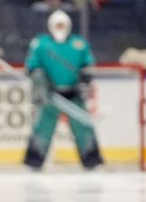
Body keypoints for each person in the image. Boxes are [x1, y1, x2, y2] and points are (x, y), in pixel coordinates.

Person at [23, 9, 102, 170]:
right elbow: (32, 66)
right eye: (57, 24)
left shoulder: (79, 44)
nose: (60, 27)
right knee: (42, 127)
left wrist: (84, 81)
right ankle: (34, 160)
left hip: (73, 93)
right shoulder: (41, 43)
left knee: (83, 127)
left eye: (62, 24)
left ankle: (91, 160)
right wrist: (41, 83)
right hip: (50, 95)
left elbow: (87, 66)